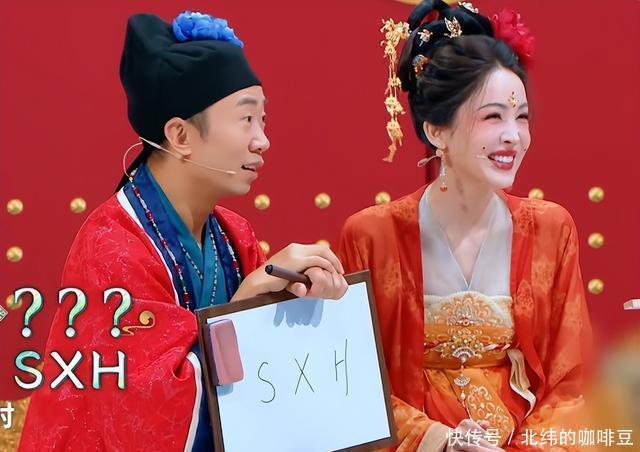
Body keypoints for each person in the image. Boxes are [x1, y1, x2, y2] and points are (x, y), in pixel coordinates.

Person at [19, 10, 346, 451]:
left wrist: (306, 300)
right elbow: (140, 417)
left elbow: (270, 370)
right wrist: (244, 309)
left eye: (263, 120)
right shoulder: (111, 248)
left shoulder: (234, 235)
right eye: (246, 119)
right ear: (180, 135)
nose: (262, 140)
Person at [337, 1, 592, 450]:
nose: (513, 135)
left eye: (522, 116)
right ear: (436, 130)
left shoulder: (551, 229)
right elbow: (353, 382)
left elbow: (570, 384)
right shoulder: (371, 236)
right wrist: (441, 440)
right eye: (492, 116)